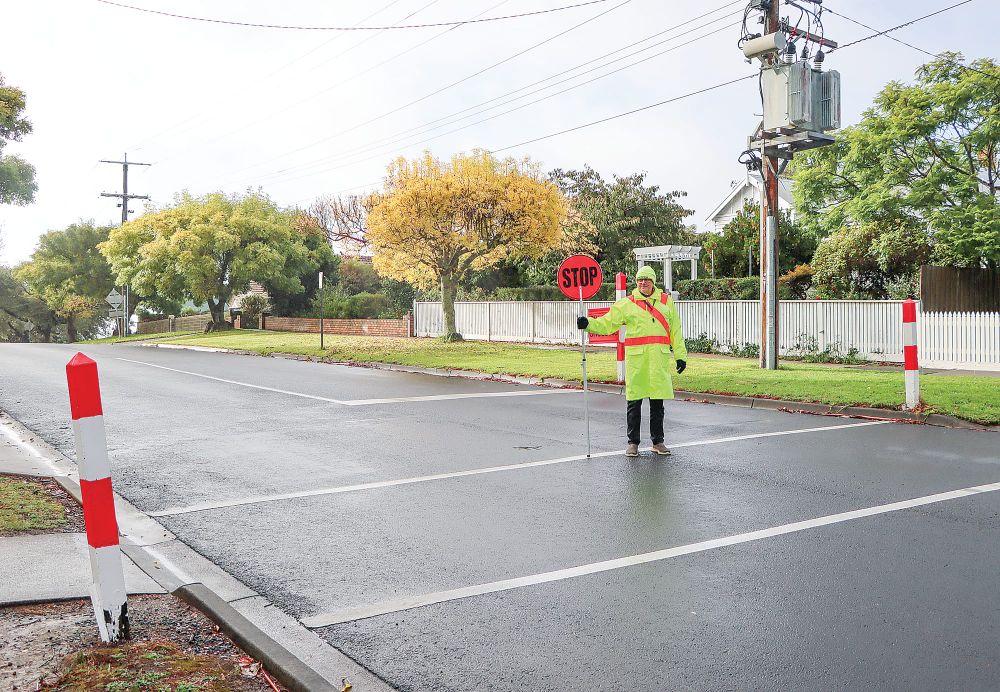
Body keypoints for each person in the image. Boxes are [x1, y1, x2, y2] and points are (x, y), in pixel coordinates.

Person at [576, 265, 687, 457]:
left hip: (658, 360)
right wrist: (588, 324)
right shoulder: (627, 303)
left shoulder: (666, 302)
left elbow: (675, 331)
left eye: (646, 279)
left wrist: (680, 356)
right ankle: (632, 443)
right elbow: (607, 322)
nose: (642, 283)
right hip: (638, 361)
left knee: (657, 403)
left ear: (653, 281)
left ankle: (658, 441)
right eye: (639, 280)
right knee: (634, 402)